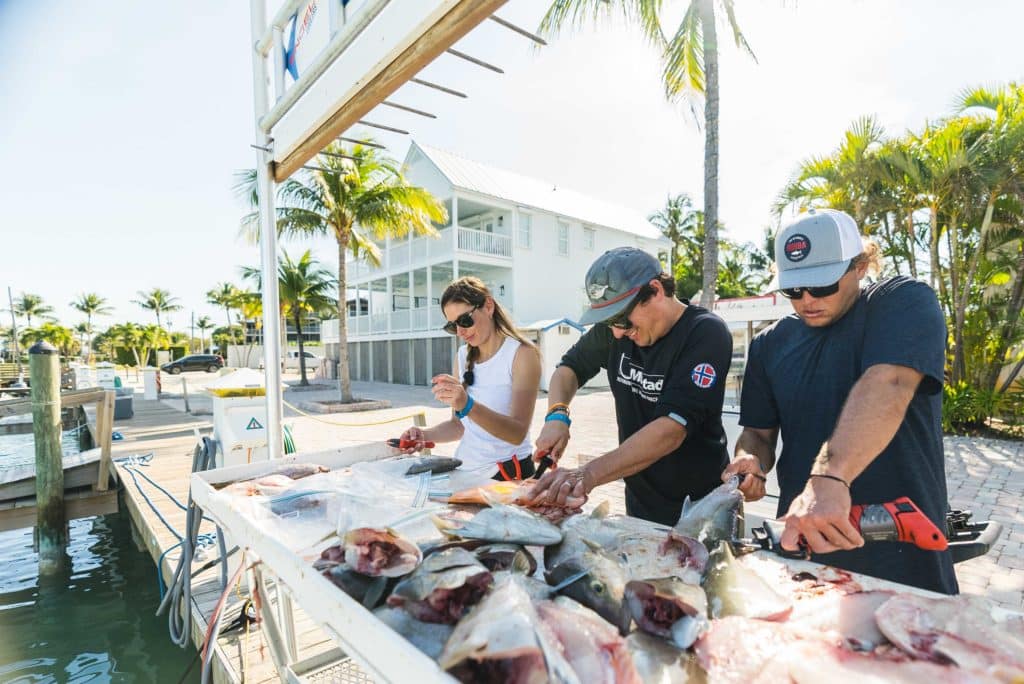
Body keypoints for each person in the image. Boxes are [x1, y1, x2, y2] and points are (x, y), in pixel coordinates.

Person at [722, 208, 958, 594]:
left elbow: (890, 383)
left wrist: (829, 479)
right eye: (793, 290)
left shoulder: (902, 303)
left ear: (861, 266)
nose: (807, 300)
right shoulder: (768, 345)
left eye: (822, 286)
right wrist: (751, 461)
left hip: (901, 551)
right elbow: (758, 433)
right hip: (803, 552)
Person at [524, 247, 733, 526]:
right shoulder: (616, 328)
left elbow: (670, 430)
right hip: (640, 503)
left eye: (621, 319)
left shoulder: (705, 333)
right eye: (609, 322)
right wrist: (557, 416)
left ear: (656, 290)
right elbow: (568, 369)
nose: (617, 332)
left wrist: (587, 474)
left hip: (702, 508)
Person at [398, 276, 542, 480]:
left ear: (488, 306)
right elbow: (458, 426)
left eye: (465, 321)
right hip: (467, 471)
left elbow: (517, 433)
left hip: (509, 474)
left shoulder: (522, 354)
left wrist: (467, 405)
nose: (460, 332)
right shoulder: (463, 355)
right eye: (452, 326)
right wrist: (424, 435)